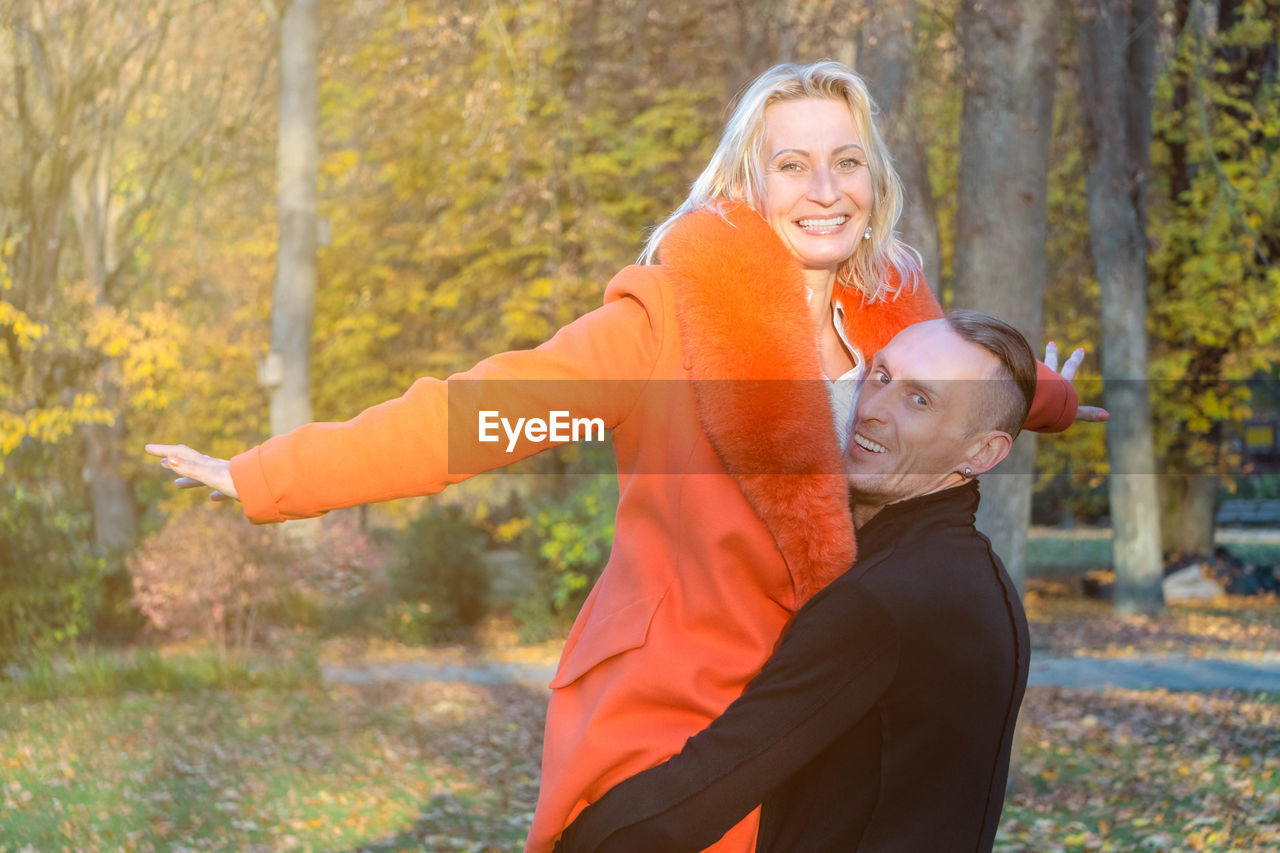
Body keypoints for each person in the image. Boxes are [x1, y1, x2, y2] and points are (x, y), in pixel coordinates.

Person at [146, 62, 1096, 852]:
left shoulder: (892, 311)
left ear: (874, 180)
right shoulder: (664, 329)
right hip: (684, 703)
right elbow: (483, 416)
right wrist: (269, 474)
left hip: (821, 716)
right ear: (746, 184)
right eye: (793, 164)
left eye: (847, 162)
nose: (824, 189)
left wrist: (1048, 399)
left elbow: (966, 389)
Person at [554, 311, 1040, 853]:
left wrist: (576, 841)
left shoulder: (883, 602)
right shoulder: (966, 574)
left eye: (920, 400)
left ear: (983, 454)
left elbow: (704, 793)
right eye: (881, 377)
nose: (873, 411)